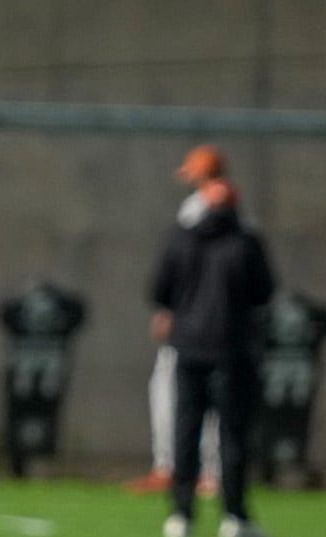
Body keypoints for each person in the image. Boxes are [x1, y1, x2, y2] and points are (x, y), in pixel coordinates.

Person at [149, 179, 275, 537]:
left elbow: (158, 289)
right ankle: (234, 515)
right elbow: (264, 292)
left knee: (185, 431)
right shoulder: (246, 243)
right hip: (232, 350)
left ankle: (181, 514)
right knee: (232, 436)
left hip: (187, 349)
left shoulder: (180, 239)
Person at [130, 145, 229, 496]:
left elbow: (182, 265)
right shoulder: (235, 213)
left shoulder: (200, 209)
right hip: (219, 322)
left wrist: (168, 310)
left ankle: (181, 468)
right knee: (200, 395)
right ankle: (195, 470)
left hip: (192, 322)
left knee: (180, 393)